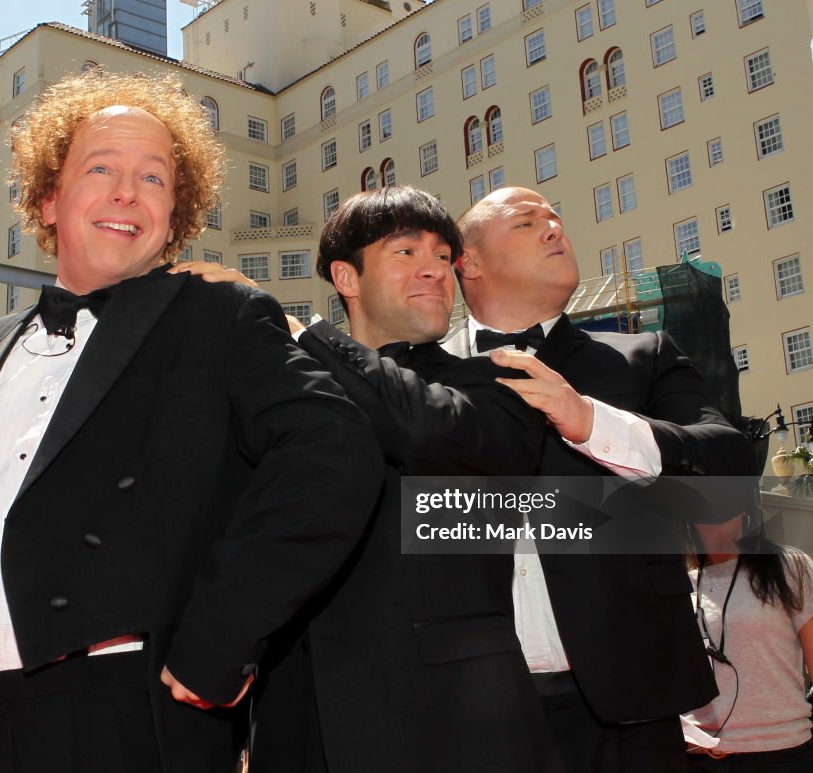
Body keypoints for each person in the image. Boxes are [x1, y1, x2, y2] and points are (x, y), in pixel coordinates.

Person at [0, 69, 383, 773]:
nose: (128, 191)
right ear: (48, 197)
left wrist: (225, 632)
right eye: (102, 168)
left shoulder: (218, 316)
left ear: (174, 215)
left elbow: (335, 451)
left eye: (154, 178)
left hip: (132, 723)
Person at [296, 185, 755, 772]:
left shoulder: (641, 353)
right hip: (459, 700)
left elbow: (730, 469)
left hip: (626, 695)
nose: (554, 228)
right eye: (525, 221)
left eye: (557, 218)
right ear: (469, 262)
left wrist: (592, 423)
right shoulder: (405, 378)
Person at [235, 186, 562, 772]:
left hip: (455, 721)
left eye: (443, 256)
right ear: (347, 277)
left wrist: (306, 336)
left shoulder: (498, 384)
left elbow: (420, 429)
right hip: (298, 718)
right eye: (407, 252)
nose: (435, 270)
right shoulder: (274, 397)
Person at [683, 504, 813, 771]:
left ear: (744, 508)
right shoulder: (678, 584)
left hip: (781, 752)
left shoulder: (789, 566)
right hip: (699, 757)